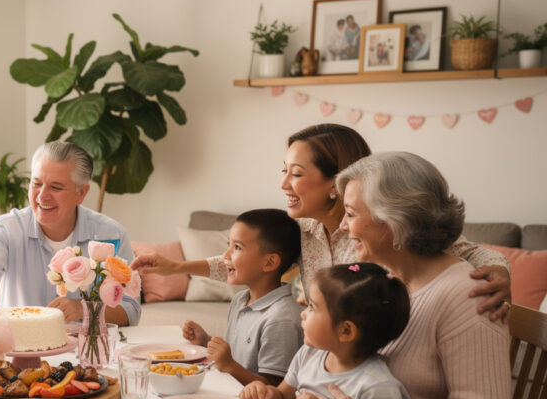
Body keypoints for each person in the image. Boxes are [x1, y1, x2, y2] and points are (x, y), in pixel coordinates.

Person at [131, 124, 513, 321]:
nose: (283, 184)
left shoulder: (382, 231)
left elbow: (468, 250)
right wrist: (177, 267)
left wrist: (499, 270)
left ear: (335, 183)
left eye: (296, 174)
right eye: (285, 171)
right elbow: (245, 260)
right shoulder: (301, 231)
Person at [323, 152, 521, 399]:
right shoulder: (388, 284)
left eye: (351, 214)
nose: (344, 228)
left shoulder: (466, 295)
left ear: (395, 220)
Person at [240, 263, 411, 399]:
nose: (302, 313)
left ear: (346, 330)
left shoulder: (378, 387)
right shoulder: (310, 354)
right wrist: (264, 393)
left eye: (312, 307)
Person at [0, 141, 140, 326]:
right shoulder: (5, 229)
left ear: (81, 193)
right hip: (21, 351)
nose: (42, 196)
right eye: (36, 183)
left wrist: (83, 309)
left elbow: (130, 309)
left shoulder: (111, 234)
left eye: (56, 187)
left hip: (85, 352)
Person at [181, 209, 303, 386]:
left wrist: (230, 366)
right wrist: (206, 341)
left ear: (269, 262)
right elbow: (238, 356)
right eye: (229, 244)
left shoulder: (281, 319)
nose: (225, 255)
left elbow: (273, 392)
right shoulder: (240, 300)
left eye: (237, 247)